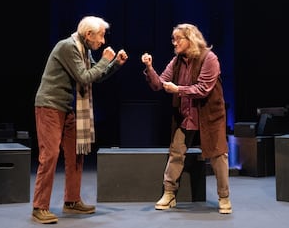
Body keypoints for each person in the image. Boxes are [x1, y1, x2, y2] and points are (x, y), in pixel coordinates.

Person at [32, 15, 129, 224]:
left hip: (66, 107)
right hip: (49, 105)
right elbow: (84, 77)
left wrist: (114, 65)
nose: (102, 41)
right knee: (49, 156)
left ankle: (72, 201)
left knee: (77, 152)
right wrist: (104, 59)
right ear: (88, 35)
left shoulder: (82, 49)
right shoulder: (67, 47)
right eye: (101, 36)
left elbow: (96, 75)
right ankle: (39, 207)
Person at [141, 23, 232, 214]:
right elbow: (159, 84)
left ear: (189, 39)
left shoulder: (209, 58)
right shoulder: (177, 61)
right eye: (173, 39)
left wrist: (178, 89)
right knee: (176, 152)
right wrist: (149, 68)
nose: (173, 43)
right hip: (187, 115)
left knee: (218, 155)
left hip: (210, 115)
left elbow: (203, 88)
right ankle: (169, 193)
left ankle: (224, 197)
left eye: (177, 39)